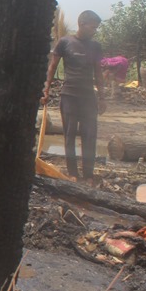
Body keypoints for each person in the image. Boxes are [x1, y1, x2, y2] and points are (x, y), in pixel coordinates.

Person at [42, 10, 106, 184]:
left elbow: (98, 74)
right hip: (69, 96)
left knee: (89, 136)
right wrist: (46, 90)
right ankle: (72, 173)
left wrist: (102, 97)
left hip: (88, 98)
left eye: (96, 28)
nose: (94, 30)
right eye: (93, 27)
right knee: (69, 136)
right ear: (82, 24)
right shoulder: (65, 42)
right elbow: (52, 67)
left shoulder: (95, 47)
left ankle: (88, 174)